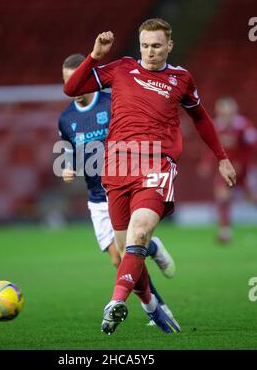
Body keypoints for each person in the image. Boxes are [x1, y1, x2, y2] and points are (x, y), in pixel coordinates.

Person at [63, 18, 236, 335]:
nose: (150, 52)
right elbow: (71, 88)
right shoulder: (122, 68)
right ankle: (152, 306)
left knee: (139, 233)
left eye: (156, 46)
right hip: (116, 166)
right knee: (125, 252)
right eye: (145, 45)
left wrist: (222, 157)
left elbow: (201, 118)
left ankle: (115, 302)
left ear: (169, 45)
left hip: (157, 161)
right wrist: (95, 55)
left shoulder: (180, 78)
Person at [59, 53, 179, 328]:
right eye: (67, 81)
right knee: (118, 259)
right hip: (96, 196)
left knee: (127, 253)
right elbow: (68, 150)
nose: (74, 86)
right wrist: (67, 166)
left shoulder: (112, 101)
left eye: (77, 78)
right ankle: (152, 247)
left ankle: (157, 308)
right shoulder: (65, 119)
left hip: (125, 184)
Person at [198, 97, 257, 243]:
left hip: (245, 168)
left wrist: (241, 163)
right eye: (223, 113)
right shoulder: (216, 126)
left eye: (229, 112)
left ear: (235, 112)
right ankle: (225, 231)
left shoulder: (244, 126)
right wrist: (206, 162)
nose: (226, 116)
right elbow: (211, 147)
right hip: (226, 168)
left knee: (252, 198)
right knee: (222, 196)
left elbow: (252, 147)